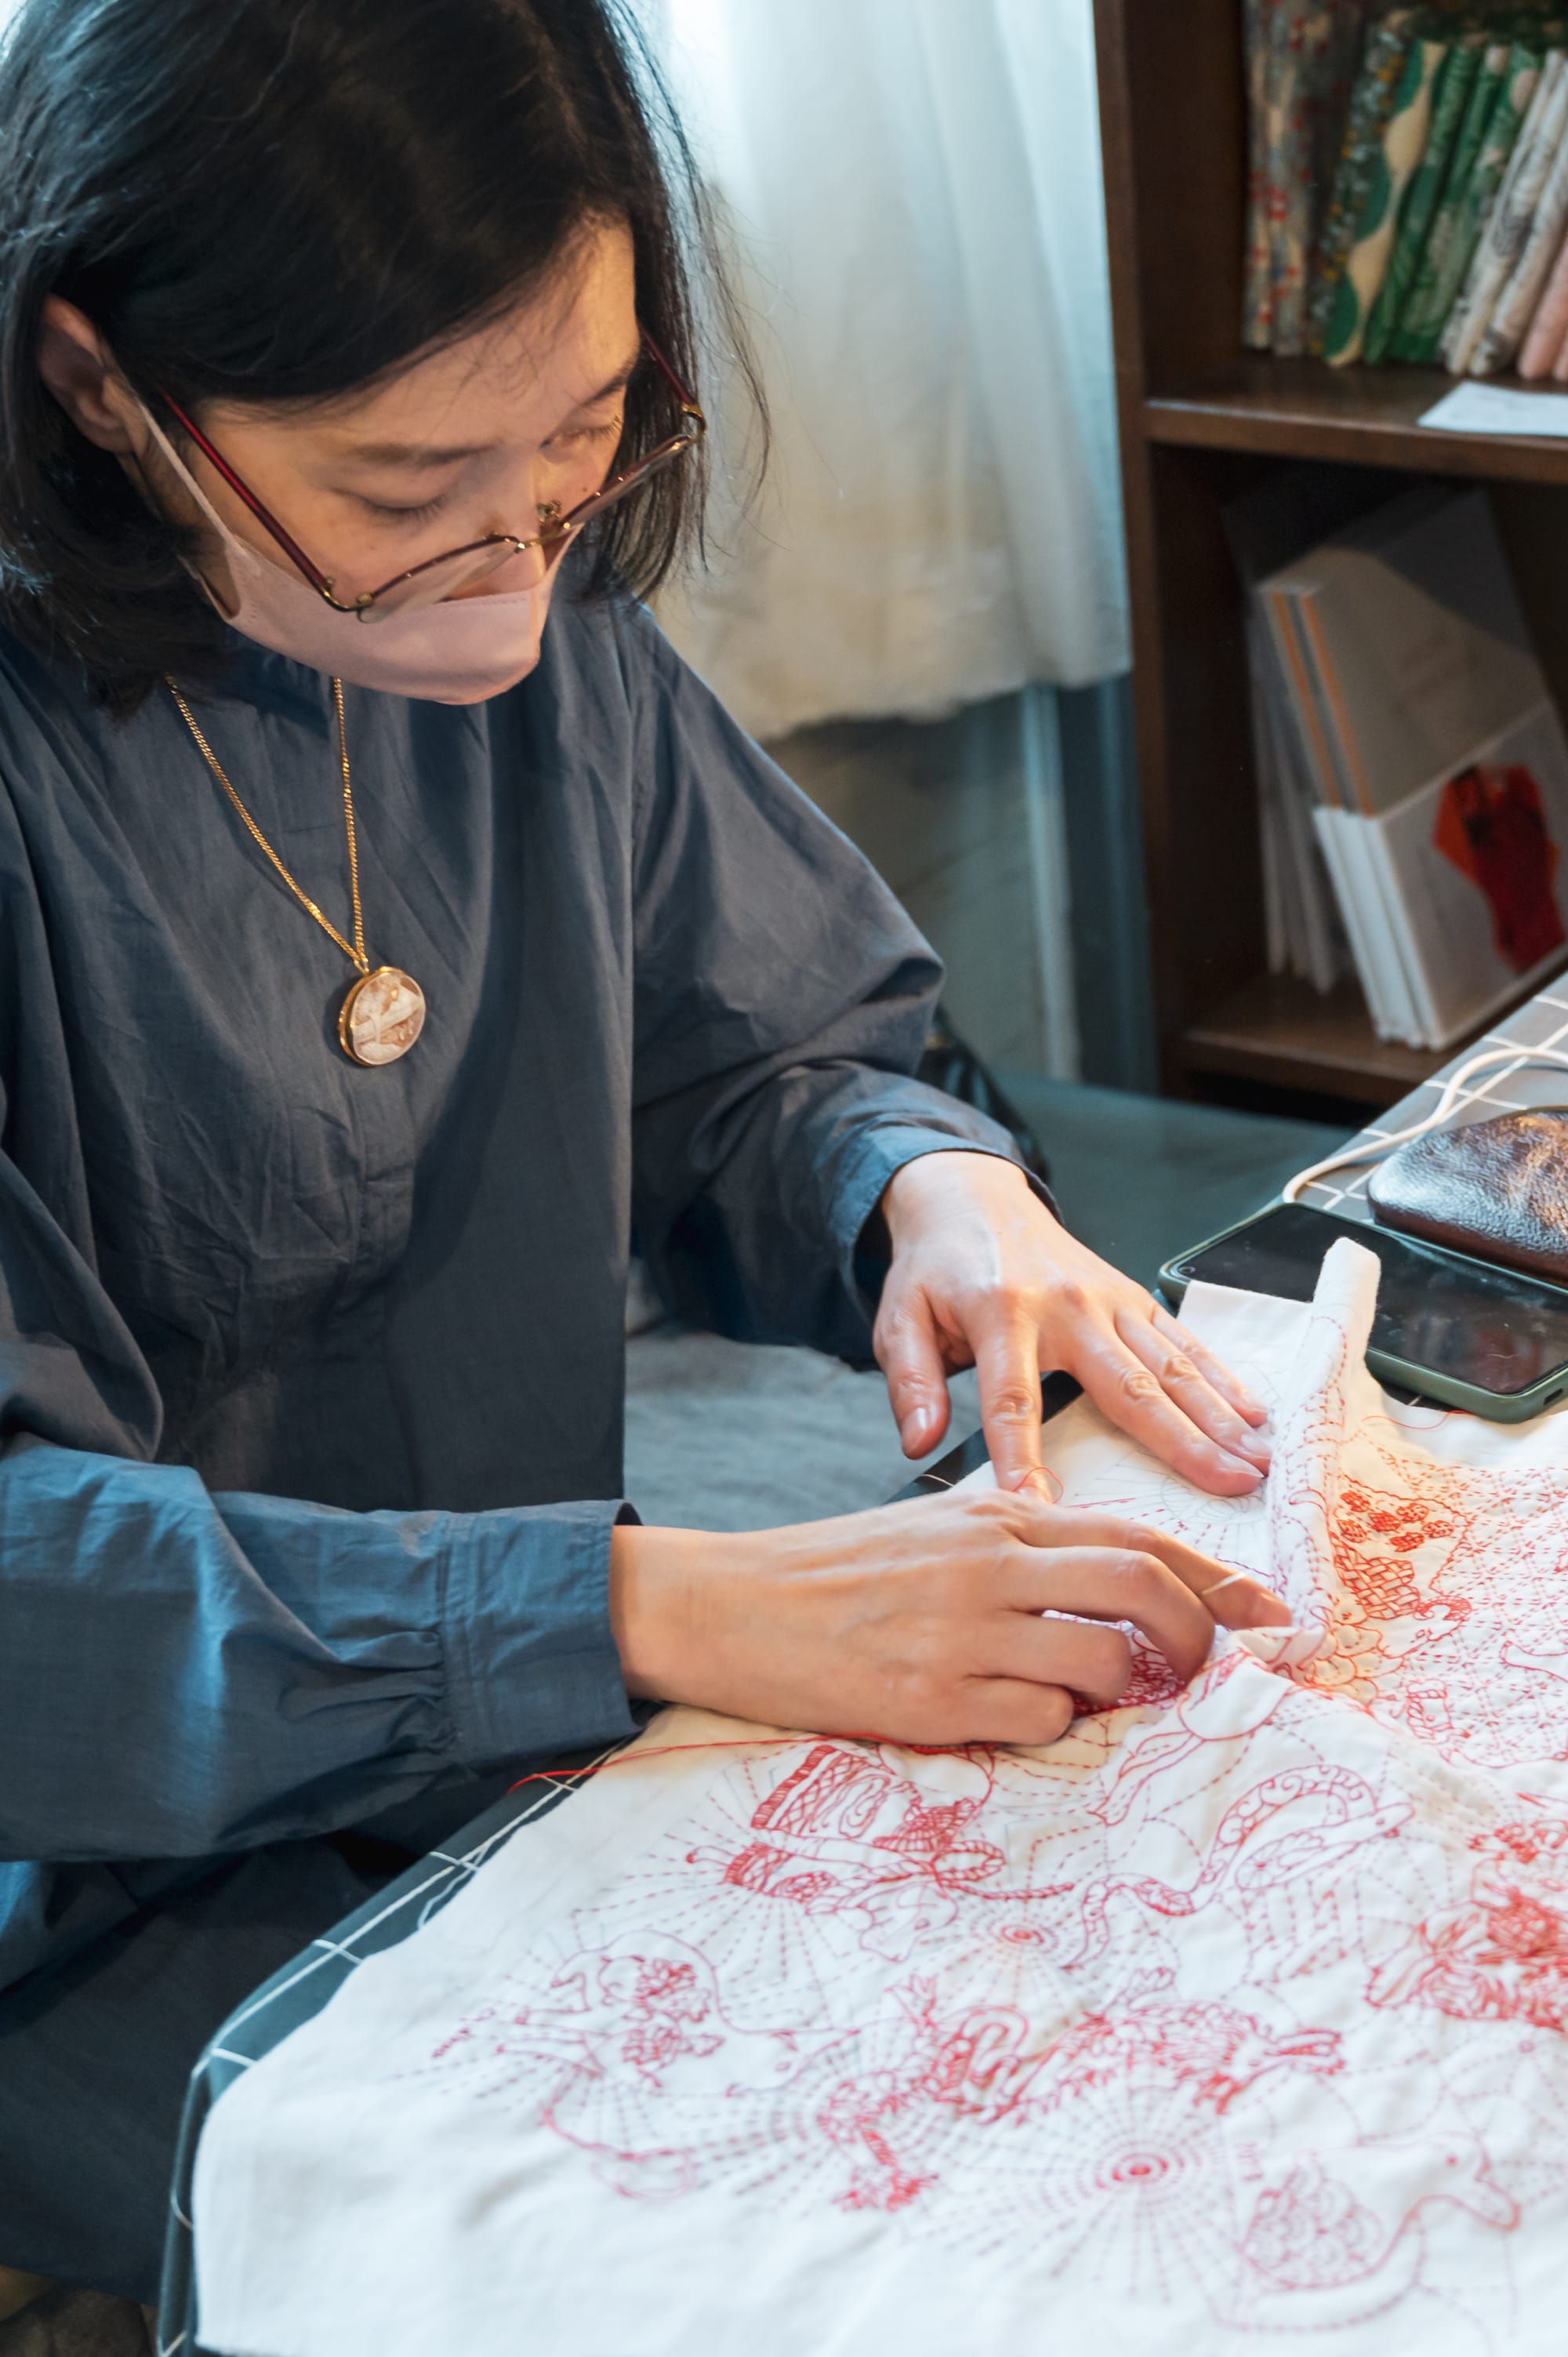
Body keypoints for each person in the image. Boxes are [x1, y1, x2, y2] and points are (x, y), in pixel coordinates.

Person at [0, 0, 1288, 2316]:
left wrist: (925, 1189)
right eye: (407, 503)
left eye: (586, 444)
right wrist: (638, 1603)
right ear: (101, 385)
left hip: (530, 1739)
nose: (514, 582)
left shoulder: (532, 597)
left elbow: (758, 1056)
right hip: (90, 1882)